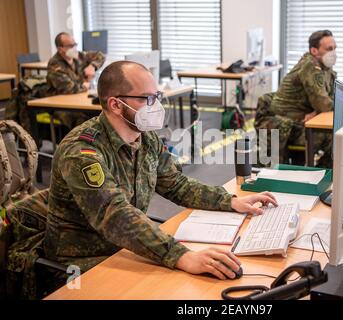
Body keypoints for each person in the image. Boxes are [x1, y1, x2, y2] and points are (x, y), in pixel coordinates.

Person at [43, 60, 278, 281]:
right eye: (146, 98)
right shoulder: (82, 151)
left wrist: (230, 201)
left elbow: (176, 184)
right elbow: (114, 214)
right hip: (80, 263)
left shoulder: (145, 138)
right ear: (115, 104)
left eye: (156, 97)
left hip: (125, 246)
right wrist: (181, 255)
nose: (155, 106)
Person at [255, 30, 337, 166]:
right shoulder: (310, 66)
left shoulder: (325, 67)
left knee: (337, 136)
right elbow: (324, 103)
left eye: (334, 48)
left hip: (300, 120)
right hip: (287, 124)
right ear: (314, 51)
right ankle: (321, 178)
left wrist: (316, 112)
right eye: (329, 49)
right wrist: (320, 109)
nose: (333, 52)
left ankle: (321, 176)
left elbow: (330, 97)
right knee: (333, 139)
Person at [46, 32, 106, 129]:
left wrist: (92, 66)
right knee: (82, 120)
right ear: (60, 49)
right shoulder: (55, 64)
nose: (74, 48)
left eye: (75, 44)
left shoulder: (78, 56)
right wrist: (86, 84)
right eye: (70, 45)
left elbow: (100, 55)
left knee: (100, 115)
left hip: (78, 99)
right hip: (60, 106)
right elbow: (69, 88)